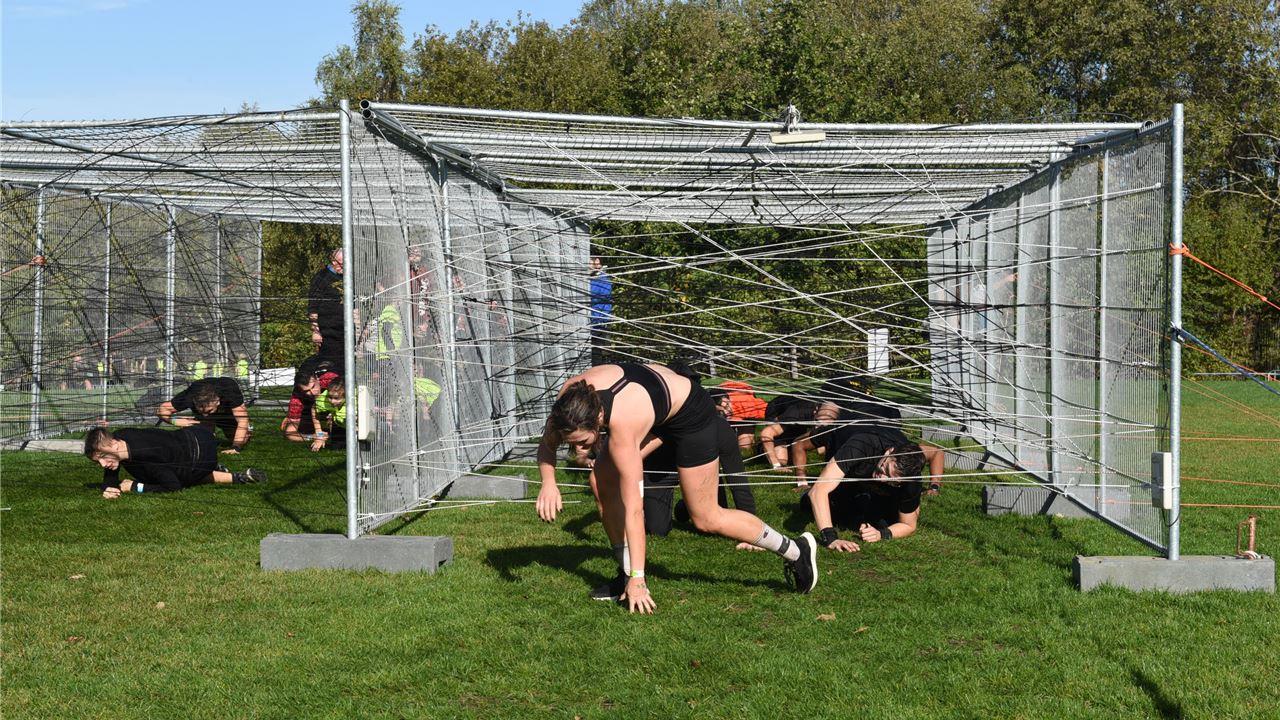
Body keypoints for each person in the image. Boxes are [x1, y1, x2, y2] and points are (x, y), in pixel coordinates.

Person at [535, 363, 818, 614]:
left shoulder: (624, 423)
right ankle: (624, 573)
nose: (579, 450)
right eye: (573, 443)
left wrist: (639, 579)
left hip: (690, 414)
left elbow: (634, 509)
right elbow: (547, 445)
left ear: (598, 419)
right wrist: (549, 483)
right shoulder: (567, 405)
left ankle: (796, 550)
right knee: (600, 480)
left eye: (583, 442)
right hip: (658, 405)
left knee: (706, 517)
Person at [803, 427, 942, 552]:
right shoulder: (862, 445)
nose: (883, 479)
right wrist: (831, 539)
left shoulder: (912, 481)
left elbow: (909, 525)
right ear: (889, 452)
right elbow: (819, 490)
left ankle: (864, 503)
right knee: (812, 505)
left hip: (875, 491)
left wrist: (880, 534)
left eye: (893, 481)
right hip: (849, 470)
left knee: (884, 522)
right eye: (885, 470)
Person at [84, 426, 265, 499]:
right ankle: (239, 477)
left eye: (103, 457)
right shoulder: (120, 437)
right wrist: (109, 487)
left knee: (182, 477)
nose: (103, 464)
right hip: (198, 434)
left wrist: (135, 487)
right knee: (174, 469)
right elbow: (111, 472)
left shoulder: (147, 457)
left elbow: (172, 487)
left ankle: (226, 472)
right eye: (98, 461)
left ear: (113, 445)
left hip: (200, 456)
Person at [156, 376, 251, 454]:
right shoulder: (190, 396)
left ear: (217, 401)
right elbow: (162, 410)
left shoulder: (229, 390)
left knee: (239, 438)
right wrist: (175, 421)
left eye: (209, 411)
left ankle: (247, 430)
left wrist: (235, 448)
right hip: (204, 408)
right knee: (205, 443)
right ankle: (208, 434)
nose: (205, 415)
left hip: (226, 410)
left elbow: (242, 420)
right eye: (201, 411)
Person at [759, 394, 820, 487]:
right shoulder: (797, 413)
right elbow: (766, 434)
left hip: (798, 417)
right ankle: (761, 449)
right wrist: (776, 465)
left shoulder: (834, 413)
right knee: (782, 460)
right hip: (778, 410)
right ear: (816, 411)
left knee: (794, 456)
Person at [282, 356, 340, 443]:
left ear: (317, 379)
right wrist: (313, 437)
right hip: (310, 414)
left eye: (313, 387)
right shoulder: (297, 397)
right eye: (307, 391)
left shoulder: (330, 379)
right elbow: (290, 433)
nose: (312, 392)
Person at [308, 248, 345, 363]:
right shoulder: (321, 277)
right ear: (334, 262)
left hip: (346, 330)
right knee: (329, 363)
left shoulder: (348, 277)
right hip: (327, 332)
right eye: (342, 263)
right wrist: (316, 331)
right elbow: (313, 306)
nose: (344, 267)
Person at [588, 257, 612, 363]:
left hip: (597, 323)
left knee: (596, 357)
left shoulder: (600, 280)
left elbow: (591, 293)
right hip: (599, 322)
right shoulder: (601, 278)